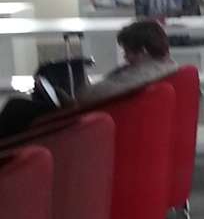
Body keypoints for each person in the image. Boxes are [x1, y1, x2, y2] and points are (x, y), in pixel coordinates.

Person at [0, 18, 178, 140]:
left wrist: (70, 98)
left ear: (143, 51)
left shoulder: (143, 74)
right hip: (97, 114)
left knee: (17, 108)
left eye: (128, 52)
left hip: (86, 120)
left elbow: (89, 97)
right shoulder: (165, 68)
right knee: (24, 106)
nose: (125, 58)